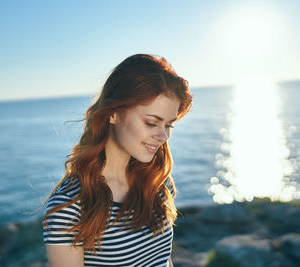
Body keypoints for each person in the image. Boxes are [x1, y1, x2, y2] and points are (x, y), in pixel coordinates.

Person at [42, 54, 193, 267]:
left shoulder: (155, 181)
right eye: (151, 123)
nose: (163, 137)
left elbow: (163, 260)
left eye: (168, 125)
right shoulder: (70, 207)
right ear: (113, 114)